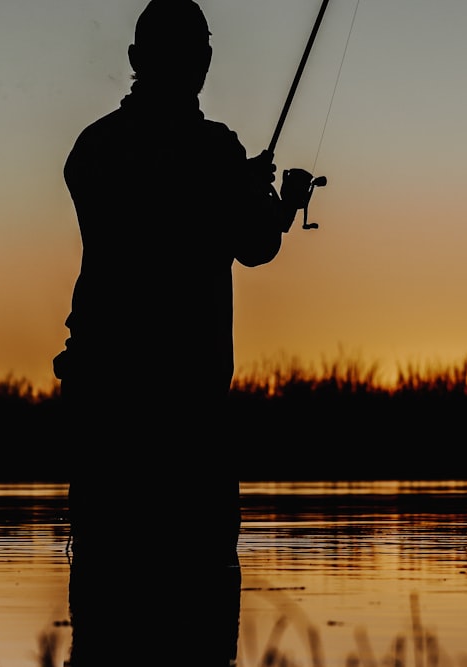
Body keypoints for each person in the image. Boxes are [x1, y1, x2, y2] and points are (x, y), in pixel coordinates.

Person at [54, 2, 313, 663]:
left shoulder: (93, 150)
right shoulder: (214, 153)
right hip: (190, 417)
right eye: (194, 54)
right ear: (200, 64)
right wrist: (276, 202)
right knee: (201, 599)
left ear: (139, 62)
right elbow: (254, 244)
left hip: (104, 404)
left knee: (104, 596)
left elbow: (169, 204)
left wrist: (239, 188)